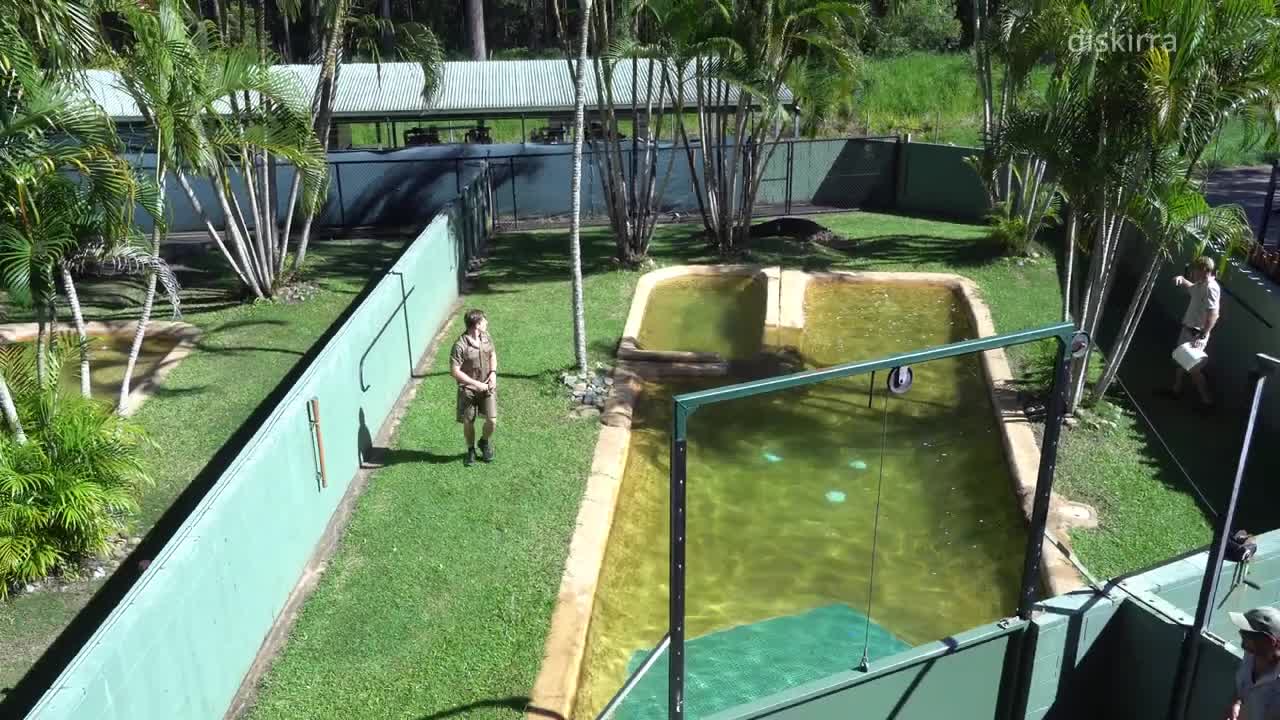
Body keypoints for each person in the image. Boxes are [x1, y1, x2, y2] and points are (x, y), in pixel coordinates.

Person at [1165, 255, 1221, 409]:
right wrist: (1181, 279)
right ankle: (1176, 391)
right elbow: (1191, 289)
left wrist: (1203, 335)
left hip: (1196, 334)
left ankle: (1207, 402)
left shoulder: (1211, 288)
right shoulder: (1201, 284)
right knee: (1181, 361)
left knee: (1194, 369)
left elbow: (1214, 314)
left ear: (1204, 270)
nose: (1193, 273)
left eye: (1196, 269)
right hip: (1188, 330)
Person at [450, 309, 498, 466]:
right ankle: (470, 450)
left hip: (487, 386)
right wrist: (477, 385)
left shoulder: (486, 337)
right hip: (468, 390)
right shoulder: (460, 345)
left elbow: (492, 354)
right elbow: (455, 371)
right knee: (468, 422)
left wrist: (493, 373)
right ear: (477, 324)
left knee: (492, 420)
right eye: (484, 321)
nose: (487, 323)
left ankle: (484, 442)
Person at [1227, 607, 1280, 720]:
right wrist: (1236, 703)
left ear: (1270, 641)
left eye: (1247, 636)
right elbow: (1241, 689)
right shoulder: (1251, 654)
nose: (1242, 645)